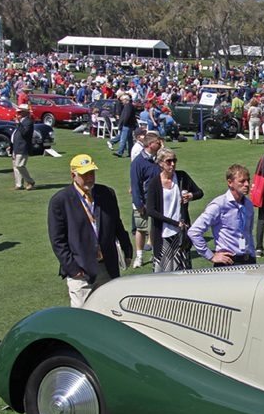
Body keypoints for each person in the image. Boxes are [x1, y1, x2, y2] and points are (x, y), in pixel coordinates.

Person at [48, 154, 133, 308]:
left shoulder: (107, 193)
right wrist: (73, 269)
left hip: (107, 266)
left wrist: (127, 249)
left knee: (110, 310)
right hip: (81, 271)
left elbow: (117, 224)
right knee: (82, 317)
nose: (89, 178)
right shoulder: (60, 201)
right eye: (84, 174)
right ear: (73, 175)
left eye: (91, 173)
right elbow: (57, 241)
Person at [144, 148, 203, 272]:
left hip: (180, 234)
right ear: (160, 163)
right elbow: (150, 211)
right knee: (163, 273)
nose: (172, 164)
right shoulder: (154, 183)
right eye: (168, 161)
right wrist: (174, 223)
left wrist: (191, 196)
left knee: (182, 271)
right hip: (163, 233)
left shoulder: (182, 177)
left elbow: (200, 193)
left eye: (174, 160)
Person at [188, 164, 256, 266]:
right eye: (242, 181)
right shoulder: (219, 205)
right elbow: (194, 232)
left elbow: (248, 233)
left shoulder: (248, 204)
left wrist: (252, 254)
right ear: (230, 182)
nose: (247, 184)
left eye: (248, 180)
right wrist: (211, 256)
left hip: (249, 261)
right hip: (228, 262)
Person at [129, 132, 163, 268]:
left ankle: (156, 256)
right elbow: (135, 184)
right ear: (150, 145)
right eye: (157, 142)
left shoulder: (158, 159)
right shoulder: (138, 162)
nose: (160, 144)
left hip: (157, 201)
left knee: (155, 228)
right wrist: (139, 204)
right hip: (143, 202)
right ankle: (139, 256)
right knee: (141, 229)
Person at [11, 104, 36, 190]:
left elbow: (25, 133)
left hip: (23, 147)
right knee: (15, 166)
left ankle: (30, 181)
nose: (18, 113)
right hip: (16, 146)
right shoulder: (21, 121)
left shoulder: (28, 122)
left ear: (25, 113)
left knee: (19, 165)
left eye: (20, 112)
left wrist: (18, 124)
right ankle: (19, 184)